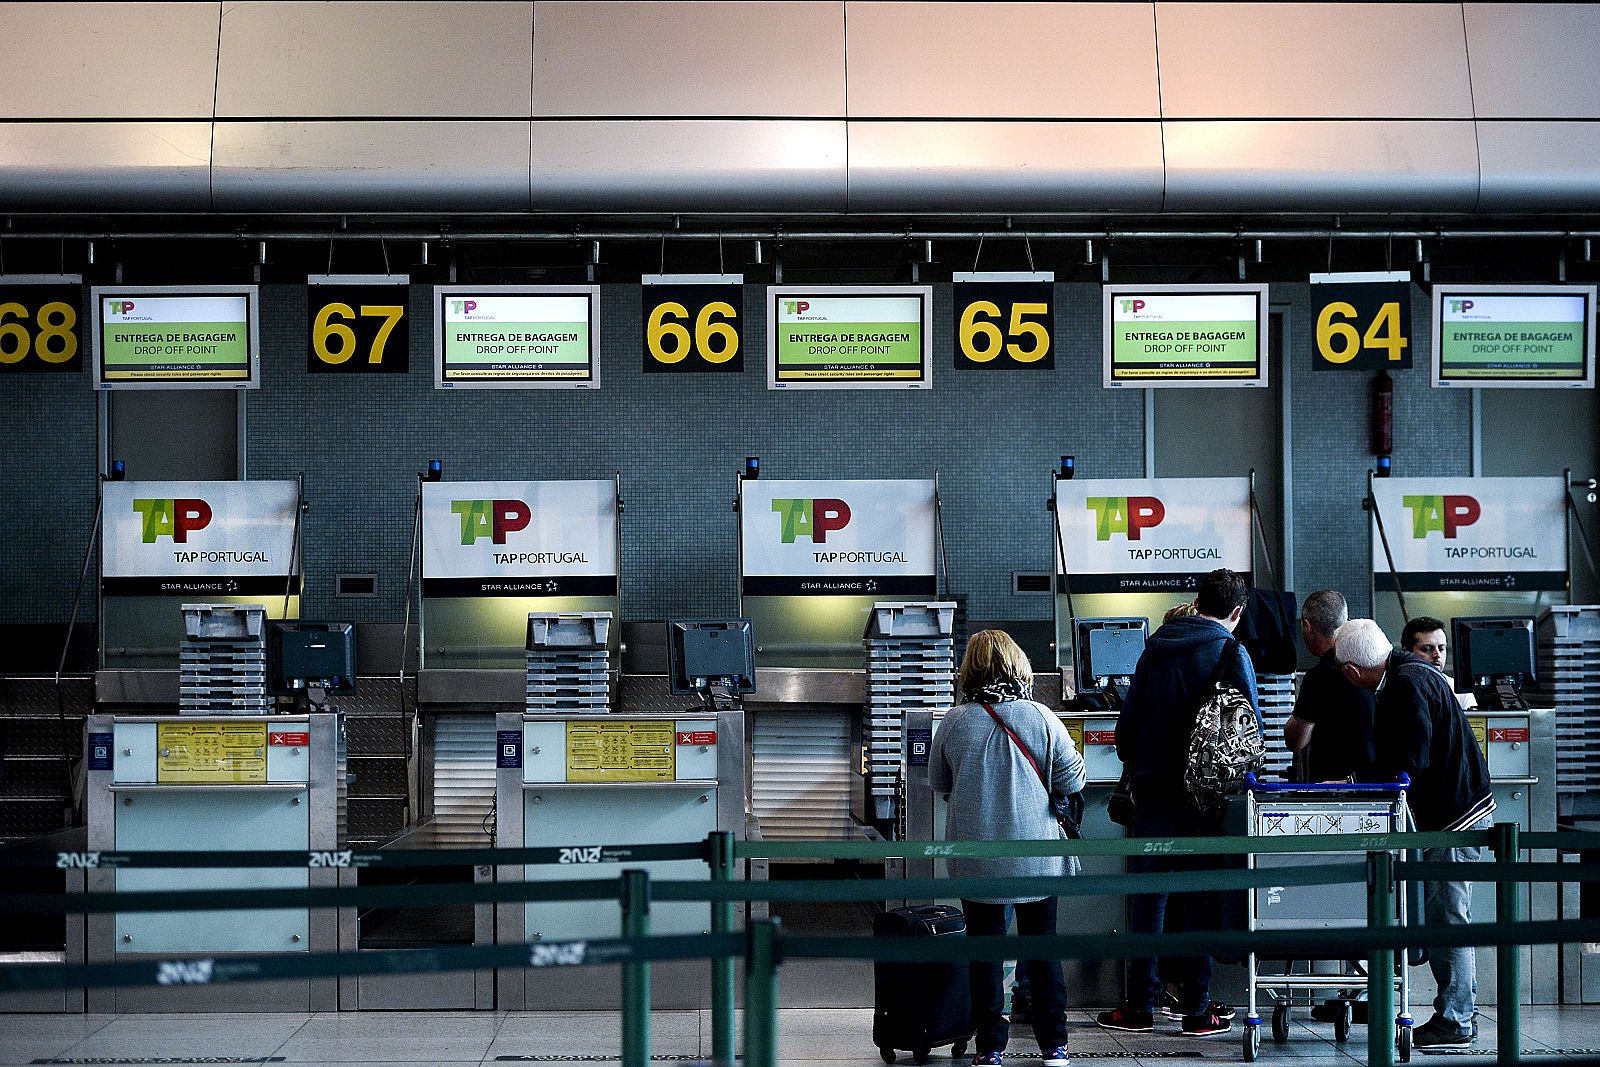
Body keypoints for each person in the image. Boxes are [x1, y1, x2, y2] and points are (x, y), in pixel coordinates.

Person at [1096, 568, 1258, 1038]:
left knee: (1147, 902)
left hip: (1153, 798)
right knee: (1200, 900)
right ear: (1237, 611)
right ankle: (1196, 1010)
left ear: (1197, 599)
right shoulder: (1230, 651)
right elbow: (1249, 733)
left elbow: (1126, 732)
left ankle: (1139, 1007)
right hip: (1206, 803)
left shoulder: (1154, 650)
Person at [1334, 618, 1495, 1047]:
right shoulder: (1413, 672)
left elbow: (1411, 758)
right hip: (1459, 810)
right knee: (1445, 915)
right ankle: (1458, 1013)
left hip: (1454, 820)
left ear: (1352, 671)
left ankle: (1457, 1020)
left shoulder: (1405, 685)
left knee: (1448, 918)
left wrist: (1356, 783)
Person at [928, 629, 1085, 1067]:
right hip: (1036, 858)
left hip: (976, 859)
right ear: (1019, 666)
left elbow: (939, 783)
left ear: (969, 670)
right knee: (1042, 951)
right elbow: (1073, 780)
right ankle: (1054, 1046)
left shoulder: (954, 721)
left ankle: (990, 1048)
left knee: (985, 955)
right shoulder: (1042, 717)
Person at [1284, 590, 1378, 783]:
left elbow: (1296, 741)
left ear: (1307, 626)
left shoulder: (1319, 676)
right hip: (1379, 783)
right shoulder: (1373, 663)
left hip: (1335, 789)